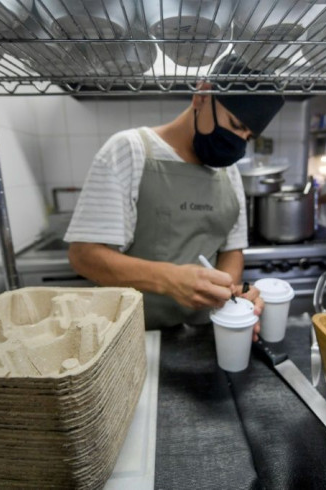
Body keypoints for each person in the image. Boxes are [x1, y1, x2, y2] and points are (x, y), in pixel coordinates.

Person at [64, 55, 284, 334]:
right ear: (202, 96)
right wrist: (169, 279)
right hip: (137, 336)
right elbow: (83, 255)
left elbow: (231, 249)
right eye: (236, 125)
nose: (239, 142)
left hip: (206, 334)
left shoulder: (229, 172)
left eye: (248, 137)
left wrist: (229, 299)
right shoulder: (130, 151)